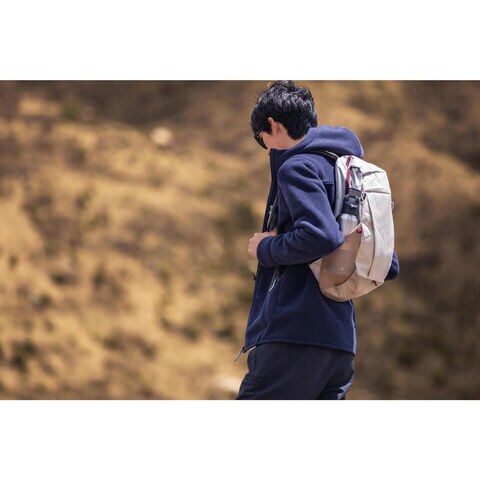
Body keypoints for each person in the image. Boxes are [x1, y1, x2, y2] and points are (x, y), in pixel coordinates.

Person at [235, 81, 400, 400]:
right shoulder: (350, 174)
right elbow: (387, 263)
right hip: (340, 344)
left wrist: (265, 247)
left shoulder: (297, 167)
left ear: (274, 125)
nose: (265, 150)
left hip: (292, 338)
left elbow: (321, 235)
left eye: (261, 138)